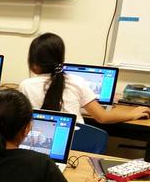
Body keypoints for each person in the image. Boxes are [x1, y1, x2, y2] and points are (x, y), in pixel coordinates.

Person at [19, 33, 150, 124]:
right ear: (61, 59)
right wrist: (132, 113)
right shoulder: (76, 81)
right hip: (77, 138)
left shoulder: (25, 85)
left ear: (34, 65)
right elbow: (102, 117)